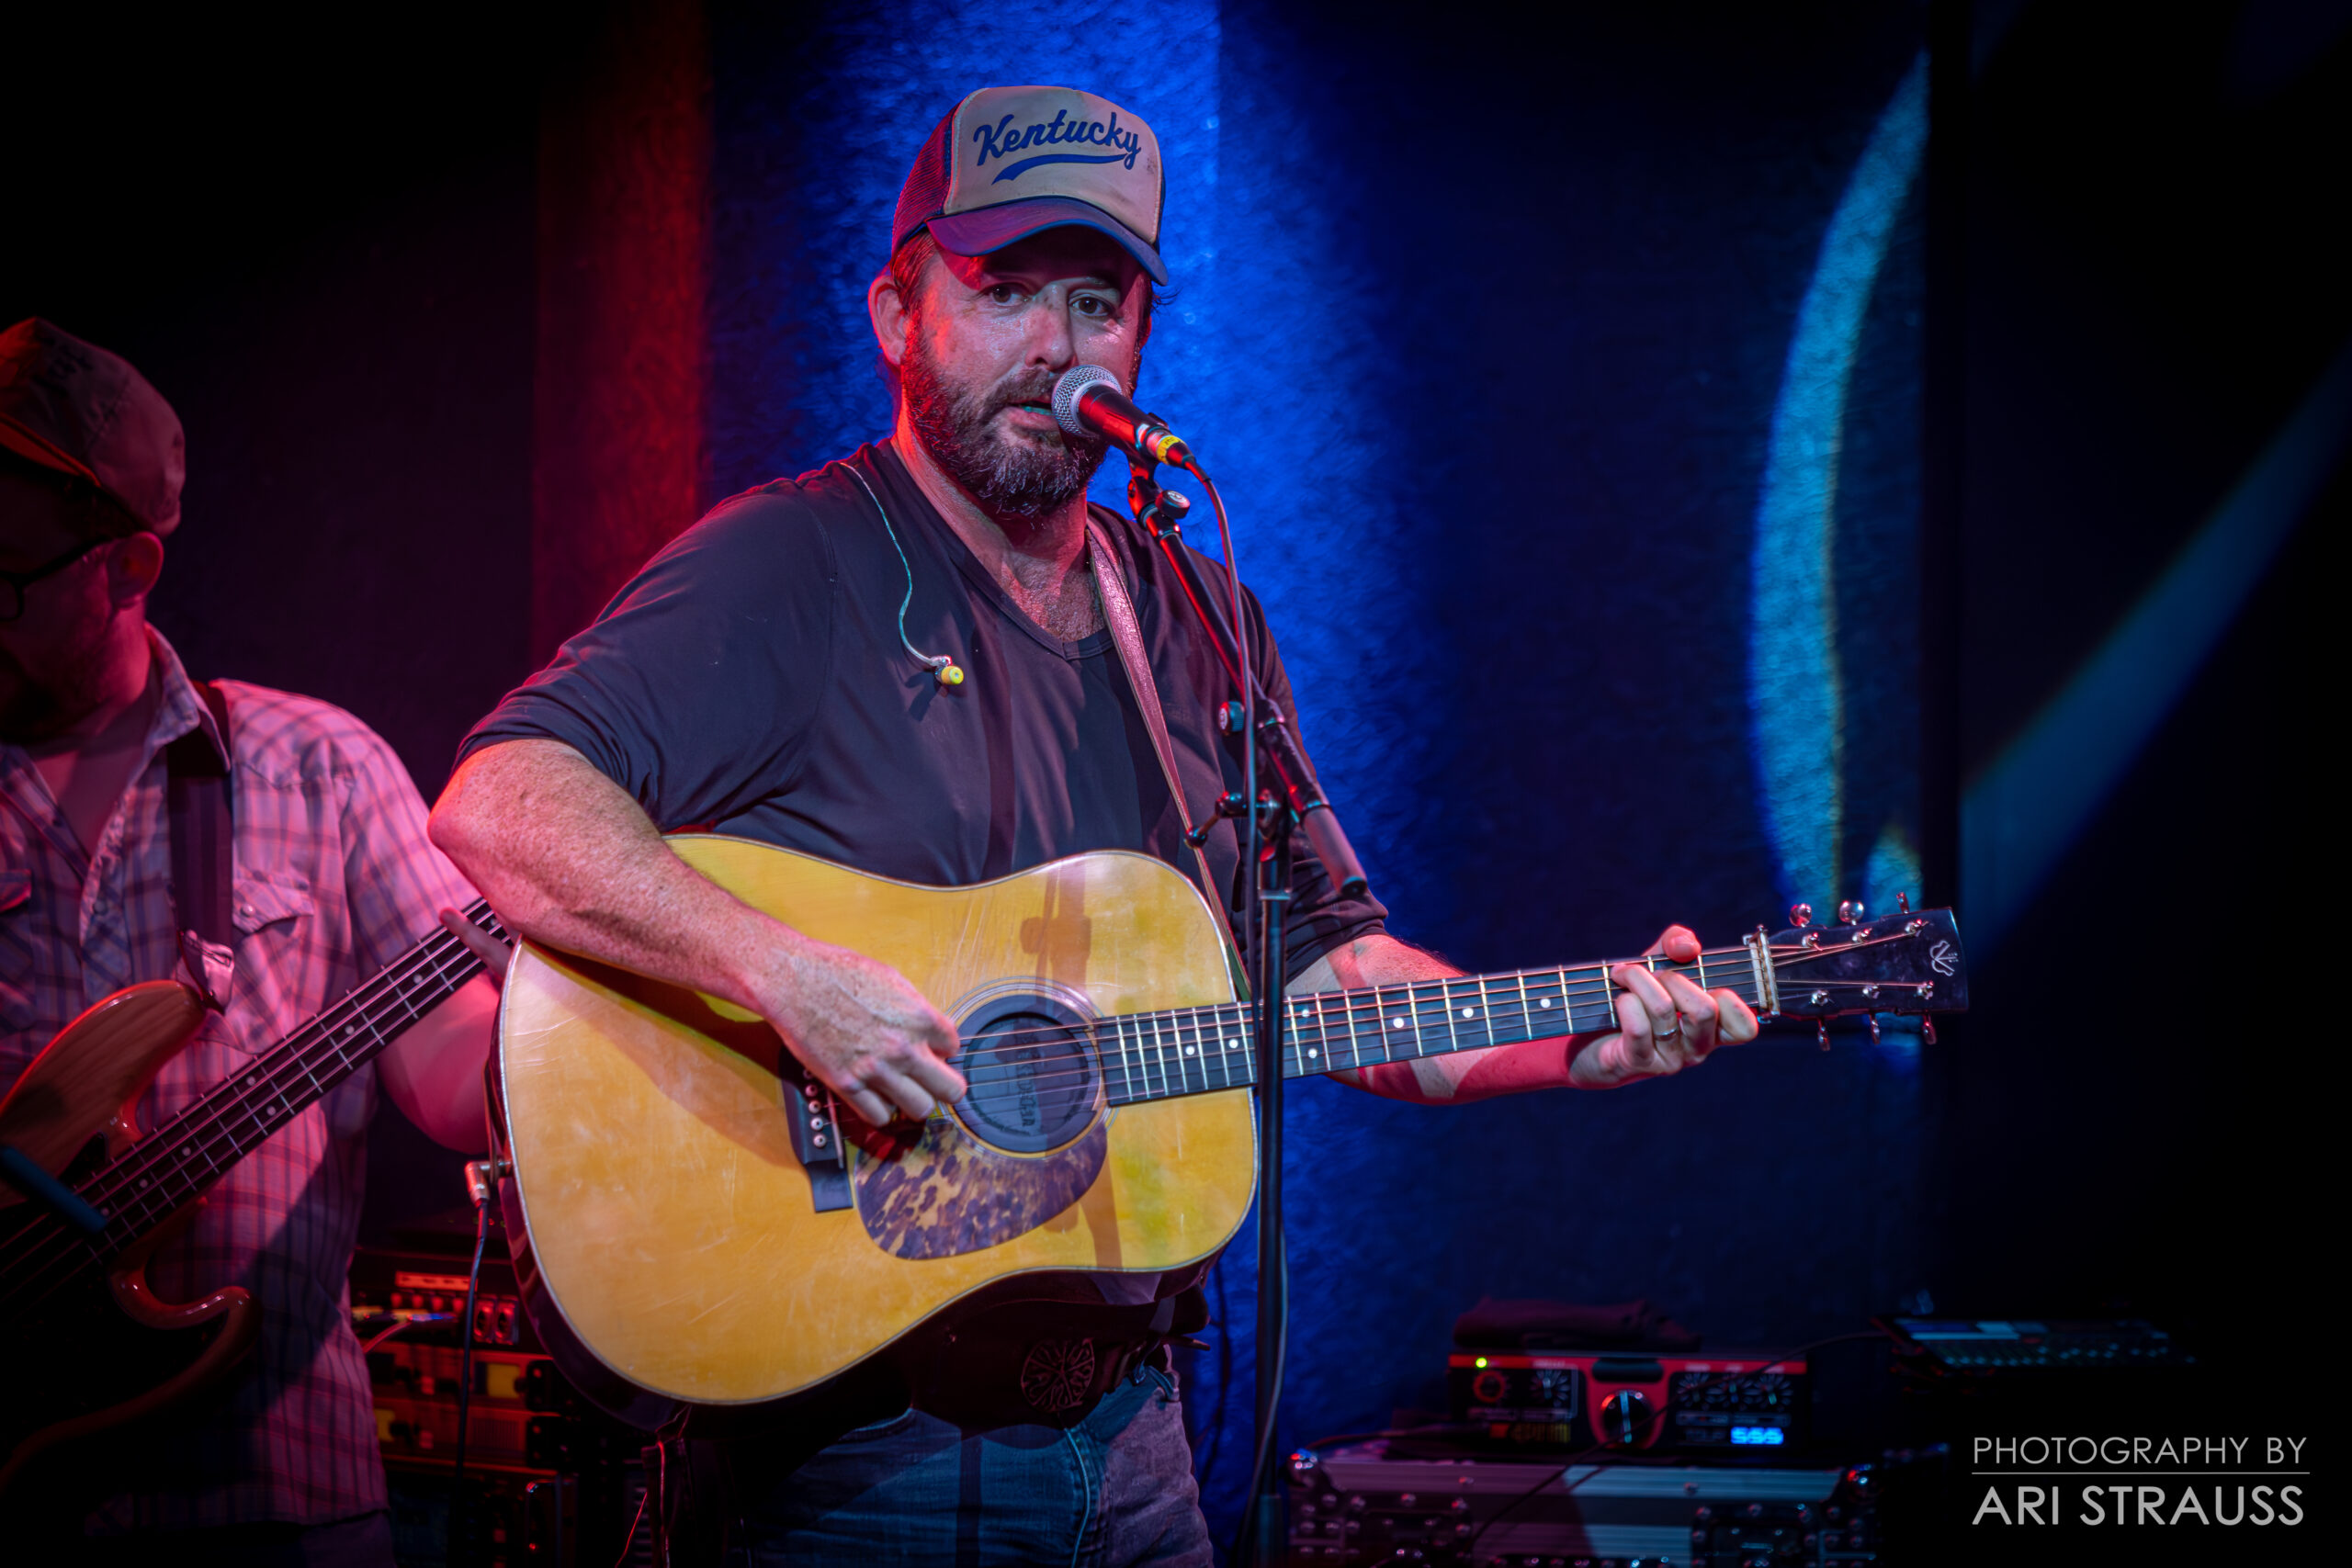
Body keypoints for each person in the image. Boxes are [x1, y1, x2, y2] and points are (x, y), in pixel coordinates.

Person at [429, 85, 1758, 1564]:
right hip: (849, 1469)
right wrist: (779, 973)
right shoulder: (793, 562)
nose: (1056, 347)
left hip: (1136, 1448)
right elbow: (502, 800)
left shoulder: (1193, 617)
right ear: (896, 312)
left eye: (1096, 300)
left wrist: (1580, 1038)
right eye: (1003, 294)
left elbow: (1322, 978)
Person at [0, 318, 502, 1564]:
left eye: (6, 578)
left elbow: (451, 1076)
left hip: (277, 1499)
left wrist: (553, 1049)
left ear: (128, 565)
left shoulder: (315, 764)